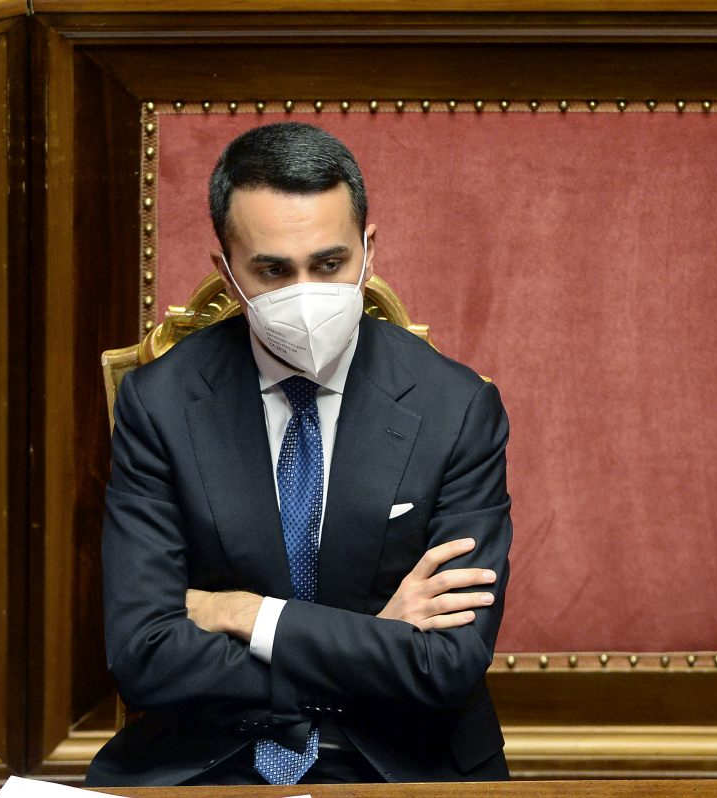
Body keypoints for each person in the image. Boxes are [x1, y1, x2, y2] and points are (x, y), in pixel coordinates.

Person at [86, 122, 512, 786]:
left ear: (368, 252)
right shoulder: (160, 403)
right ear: (227, 273)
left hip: (404, 763)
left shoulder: (456, 408)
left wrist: (245, 614)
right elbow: (144, 655)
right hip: (210, 758)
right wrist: (371, 639)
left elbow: (445, 664)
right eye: (273, 271)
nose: (306, 291)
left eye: (330, 263)